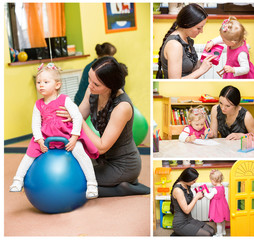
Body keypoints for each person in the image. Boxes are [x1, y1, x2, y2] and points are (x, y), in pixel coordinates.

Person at [9, 63, 99, 199]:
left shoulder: (65, 100)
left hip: (67, 135)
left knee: (80, 153)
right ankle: (18, 180)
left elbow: (77, 117)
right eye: (38, 82)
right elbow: (35, 123)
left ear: (57, 85)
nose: (41, 85)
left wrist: (74, 137)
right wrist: (39, 139)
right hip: (46, 137)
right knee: (29, 154)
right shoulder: (38, 104)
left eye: (46, 82)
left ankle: (92, 184)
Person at [64, 56, 150, 197]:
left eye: (96, 84)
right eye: (89, 79)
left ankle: (122, 188)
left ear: (111, 86)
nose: (90, 85)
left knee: (75, 181)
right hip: (102, 158)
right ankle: (121, 182)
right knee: (72, 171)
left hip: (123, 164)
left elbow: (102, 146)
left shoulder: (122, 106)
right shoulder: (92, 90)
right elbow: (77, 117)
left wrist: (78, 119)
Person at [156, 3, 215, 79]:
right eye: (198, 28)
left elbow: (188, 70)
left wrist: (201, 63)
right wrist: (201, 70)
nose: (201, 31)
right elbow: (175, 82)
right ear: (187, 24)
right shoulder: (175, 45)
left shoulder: (187, 39)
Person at [170, 167, 215, 236]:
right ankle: (178, 234)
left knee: (212, 231)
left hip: (189, 219)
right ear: (187, 179)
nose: (194, 183)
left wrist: (197, 197)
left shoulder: (186, 185)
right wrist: (196, 198)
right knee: (207, 235)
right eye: (193, 181)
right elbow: (186, 210)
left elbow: (187, 201)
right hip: (180, 224)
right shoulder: (178, 190)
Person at [203, 169, 230, 237]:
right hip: (223, 206)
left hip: (217, 207)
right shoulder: (222, 186)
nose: (211, 182)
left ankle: (219, 234)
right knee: (222, 220)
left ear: (214, 180)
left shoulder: (214, 189)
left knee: (218, 222)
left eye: (211, 180)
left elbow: (209, 197)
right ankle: (223, 231)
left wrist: (205, 192)